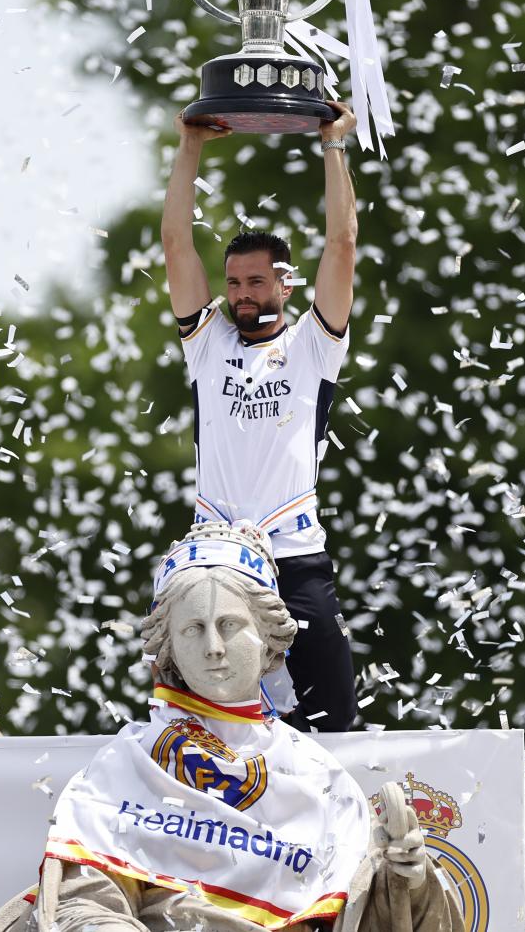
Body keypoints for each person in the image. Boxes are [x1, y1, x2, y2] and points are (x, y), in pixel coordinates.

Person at [0, 521, 461, 932]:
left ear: (269, 635)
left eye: (230, 625)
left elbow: (363, 918)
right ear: (168, 645)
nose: (213, 647)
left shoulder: (318, 773)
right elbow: (84, 902)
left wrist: (407, 880)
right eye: (193, 629)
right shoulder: (129, 763)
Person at [161, 103, 360, 732]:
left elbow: (342, 243)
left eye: (256, 281)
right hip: (214, 556)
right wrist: (190, 145)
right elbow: (174, 244)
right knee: (198, 722)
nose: (242, 294)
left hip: (296, 554)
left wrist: (333, 147)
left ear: (285, 284)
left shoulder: (312, 344)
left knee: (332, 718)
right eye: (234, 283)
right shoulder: (208, 340)